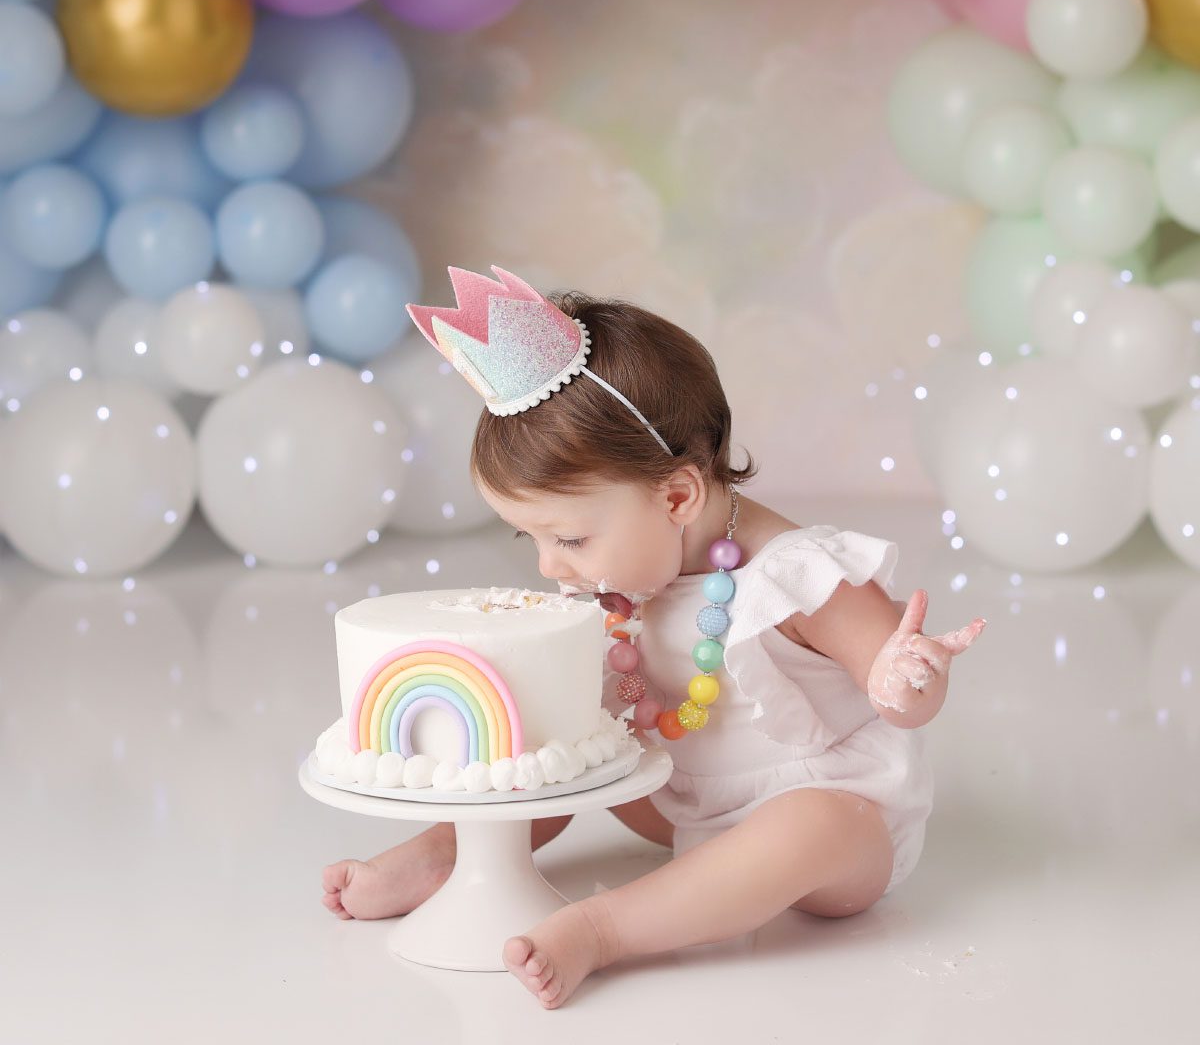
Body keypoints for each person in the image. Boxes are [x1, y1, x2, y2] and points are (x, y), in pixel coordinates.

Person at [321, 265, 986, 1010]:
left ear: (677, 495)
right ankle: (452, 852)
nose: (549, 565)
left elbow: (896, 684)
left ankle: (605, 930)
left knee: (814, 825)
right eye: (531, 537)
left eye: (568, 537)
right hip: (677, 797)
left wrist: (908, 677)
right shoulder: (620, 579)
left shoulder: (797, 574)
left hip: (828, 822)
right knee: (567, 754)